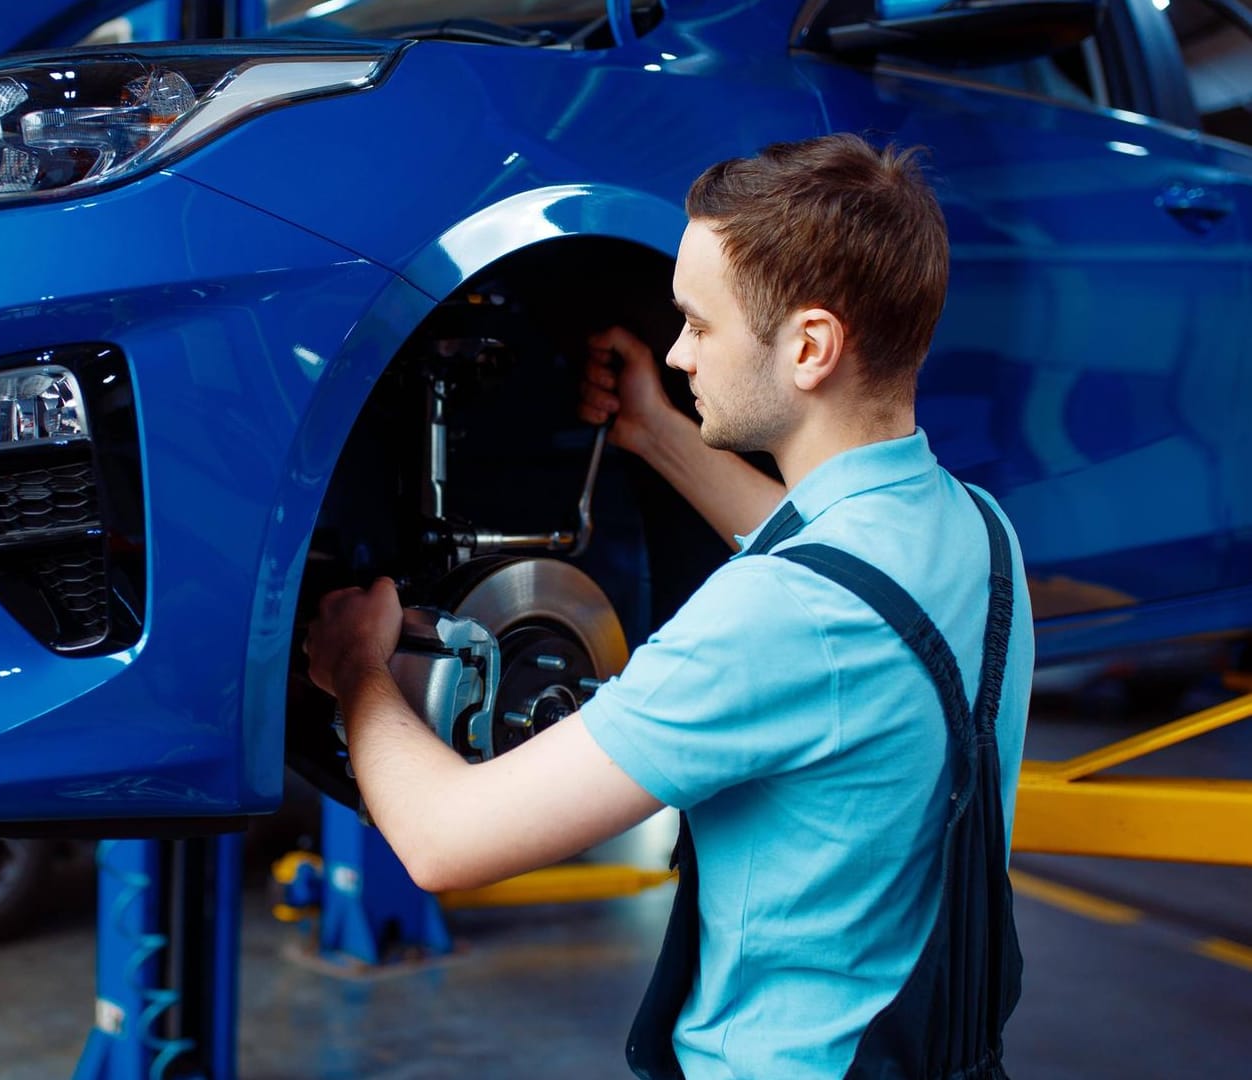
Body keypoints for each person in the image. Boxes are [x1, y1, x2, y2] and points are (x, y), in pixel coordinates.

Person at [305, 133, 1034, 1079]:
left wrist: (358, 669)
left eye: (698, 322)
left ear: (810, 347)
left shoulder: (766, 619)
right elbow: (841, 573)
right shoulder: (980, 533)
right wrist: (654, 432)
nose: (679, 351)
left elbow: (446, 843)